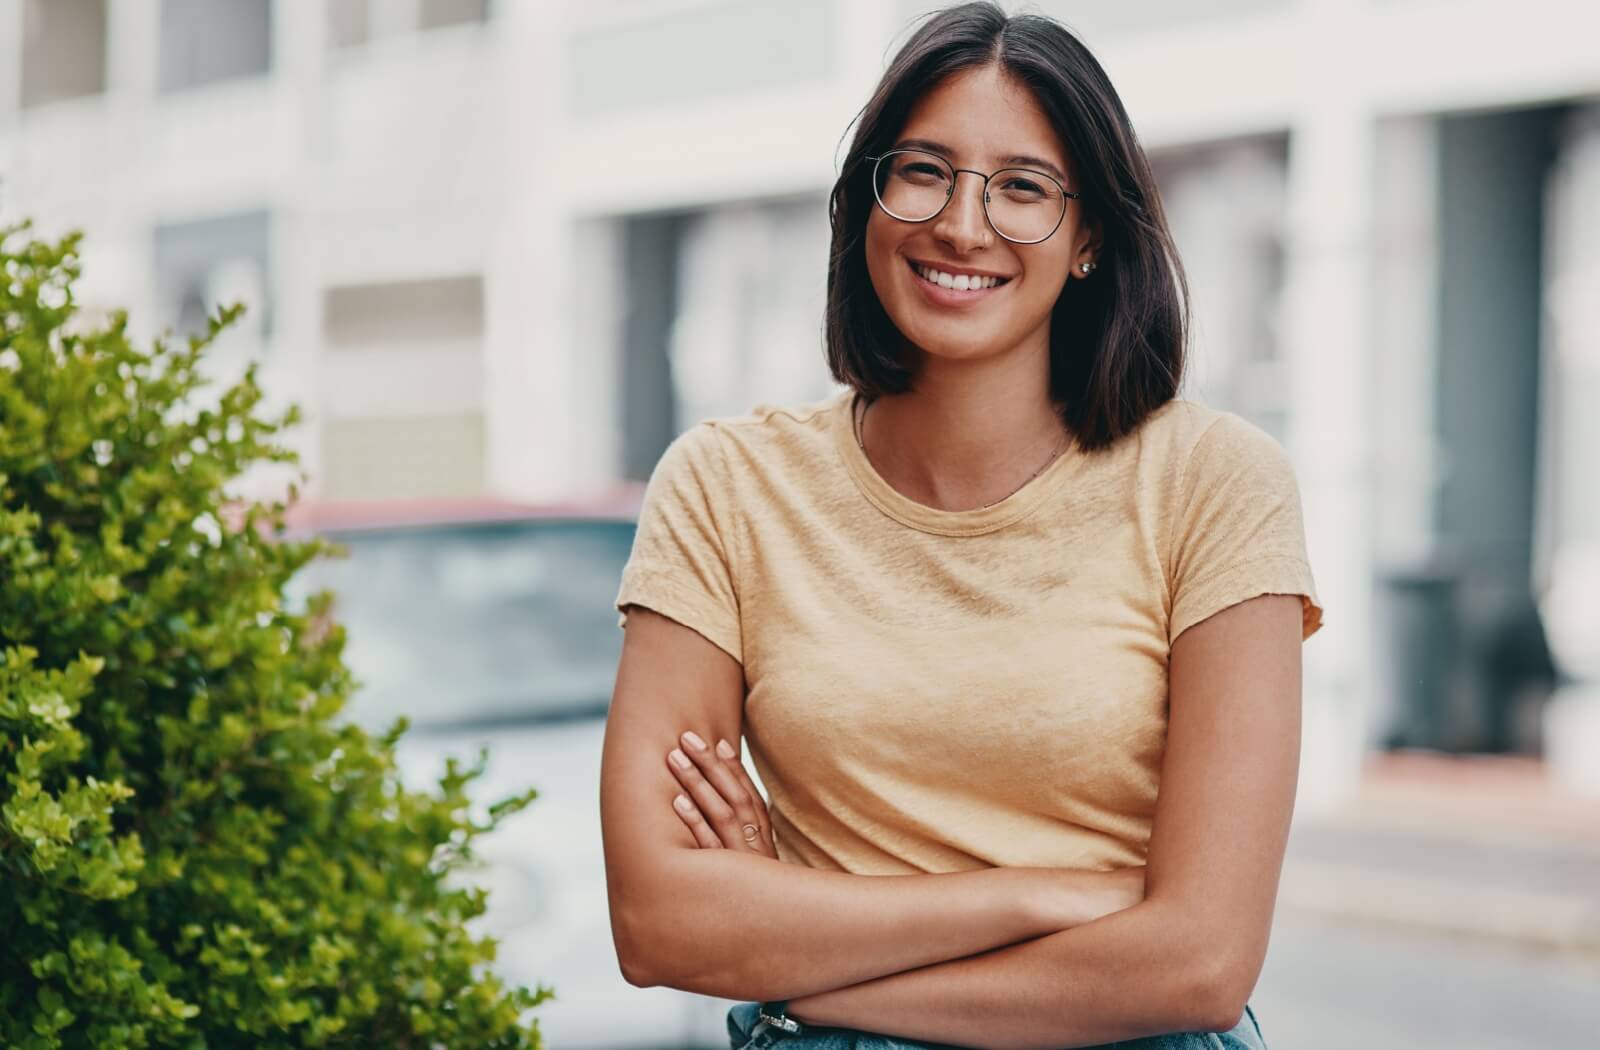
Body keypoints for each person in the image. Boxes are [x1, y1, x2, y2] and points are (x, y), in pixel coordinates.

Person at [599, 3, 1323, 1047]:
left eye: (1022, 187)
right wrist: (1030, 896)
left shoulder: (1214, 483)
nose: (963, 224)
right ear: (866, 203)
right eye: (923, 170)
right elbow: (660, 922)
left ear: (1088, 241)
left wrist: (797, 973)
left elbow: (1199, 963)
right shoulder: (725, 487)